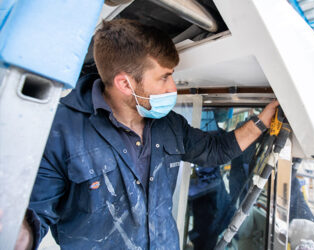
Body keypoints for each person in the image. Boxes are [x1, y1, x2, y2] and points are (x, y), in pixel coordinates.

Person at [15, 19, 279, 249]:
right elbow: (35, 213)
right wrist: (17, 236)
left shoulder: (168, 123)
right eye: (164, 77)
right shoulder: (60, 130)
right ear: (125, 84)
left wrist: (262, 121)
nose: (172, 88)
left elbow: (215, 149)